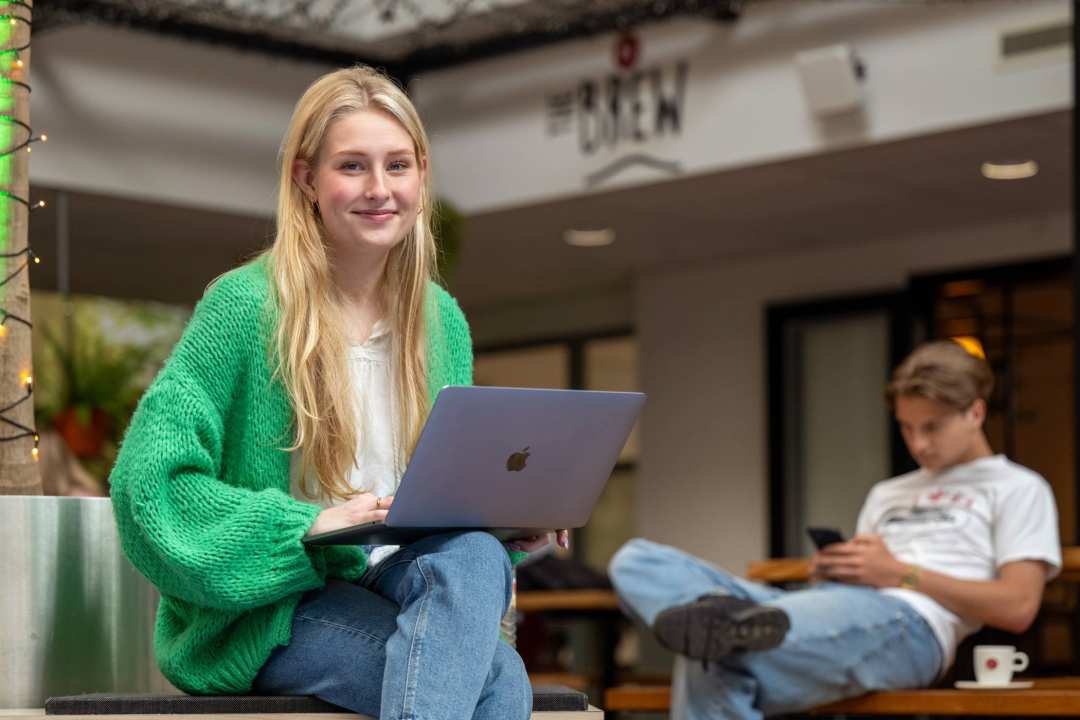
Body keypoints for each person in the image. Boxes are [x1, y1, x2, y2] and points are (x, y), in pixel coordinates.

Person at [110, 66, 565, 720]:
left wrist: (507, 515)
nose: (380, 189)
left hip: (398, 576)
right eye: (352, 166)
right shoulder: (243, 307)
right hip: (277, 606)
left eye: (397, 165)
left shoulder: (442, 320)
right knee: (498, 684)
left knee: (475, 554)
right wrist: (307, 525)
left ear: (422, 174)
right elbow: (147, 484)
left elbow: (444, 488)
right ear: (306, 180)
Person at [608, 340, 1061, 720]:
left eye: (932, 428)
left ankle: (724, 622)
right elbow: (851, 593)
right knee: (637, 560)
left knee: (710, 654)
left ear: (976, 413)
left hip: (913, 626)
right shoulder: (888, 492)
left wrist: (899, 574)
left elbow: (1019, 606)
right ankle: (724, 620)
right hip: (831, 607)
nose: (919, 443)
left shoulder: (1017, 487)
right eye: (906, 428)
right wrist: (832, 570)